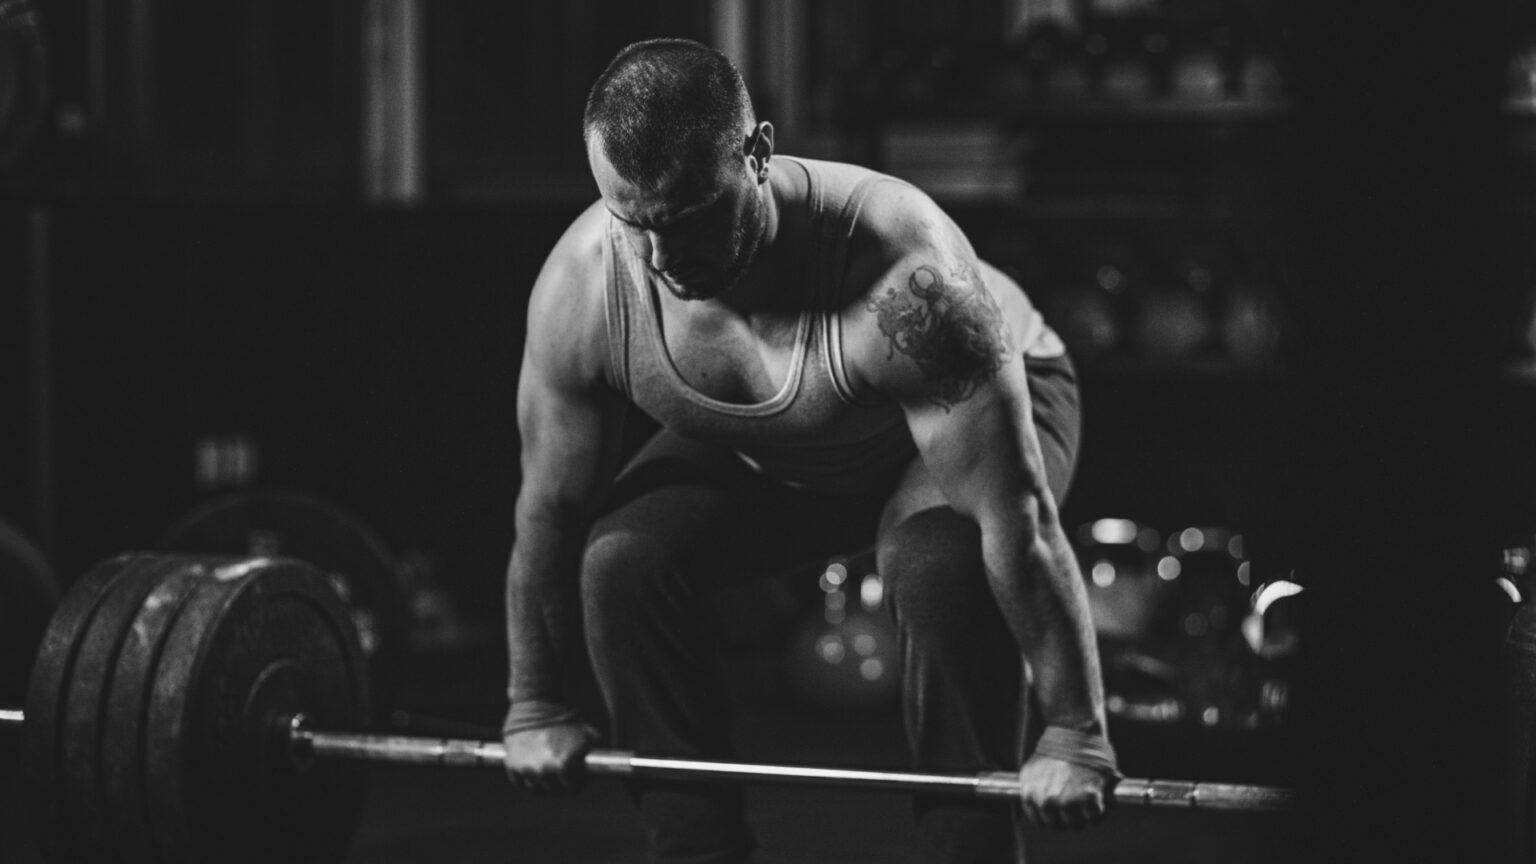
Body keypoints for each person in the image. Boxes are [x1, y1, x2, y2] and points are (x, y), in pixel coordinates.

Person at [501, 37, 1118, 864]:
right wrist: (535, 703)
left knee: (939, 564)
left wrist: (1075, 729)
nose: (663, 260)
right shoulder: (585, 287)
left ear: (759, 154)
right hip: (785, 441)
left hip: (959, 405)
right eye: (634, 223)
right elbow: (550, 507)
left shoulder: (905, 278)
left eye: (689, 220)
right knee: (622, 562)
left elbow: (1019, 519)